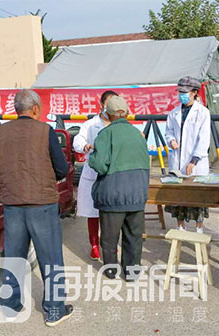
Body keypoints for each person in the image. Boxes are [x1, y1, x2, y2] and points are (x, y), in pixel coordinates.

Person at [0, 89, 73, 327]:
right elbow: (62, 169)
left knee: (13, 256)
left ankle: (11, 306)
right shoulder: (45, 131)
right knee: (51, 257)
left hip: (12, 204)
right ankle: (54, 310)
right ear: (35, 109)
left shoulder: (0, 132)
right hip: (42, 204)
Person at [89, 95, 150, 280]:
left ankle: (111, 270)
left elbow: (100, 164)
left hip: (113, 194)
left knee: (109, 237)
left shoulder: (105, 135)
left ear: (107, 114)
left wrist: (92, 156)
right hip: (137, 193)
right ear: (127, 113)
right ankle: (132, 273)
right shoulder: (138, 134)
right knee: (134, 235)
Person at [73, 91, 117, 260]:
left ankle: (109, 245)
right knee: (93, 212)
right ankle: (94, 245)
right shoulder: (90, 124)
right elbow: (78, 140)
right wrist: (84, 145)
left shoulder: (118, 124)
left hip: (113, 173)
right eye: (109, 104)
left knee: (111, 213)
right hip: (93, 171)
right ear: (101, 105)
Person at [165, 76, 211, 233]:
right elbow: (169, 131)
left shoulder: (203, 113)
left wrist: (194, 160)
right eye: (180, 92)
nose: (182, 95)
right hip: (177, 161)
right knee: (179, 197)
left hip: (195, 165)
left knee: (197, 197)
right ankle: (180, 227)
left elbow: (204, 139)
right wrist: (171, 140)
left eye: (185, 92)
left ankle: (199, 228)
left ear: (194, 93)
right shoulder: (173, 113)